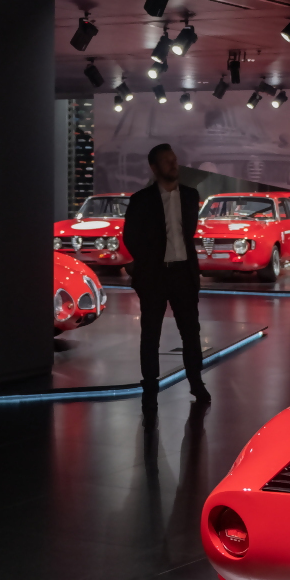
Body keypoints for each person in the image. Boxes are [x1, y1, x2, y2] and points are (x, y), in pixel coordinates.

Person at [122, 144, 211, 415]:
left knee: (191, 332)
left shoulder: (190, 195)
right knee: (151, 335)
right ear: (154, 167)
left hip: (183, 273)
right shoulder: (141, 200)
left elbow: (188, 233)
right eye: (167, 161)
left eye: (174, 159)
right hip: (155, 275)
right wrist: (148, 264)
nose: (173, 164)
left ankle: (196, 383)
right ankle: (150, 388)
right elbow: (130, 237)